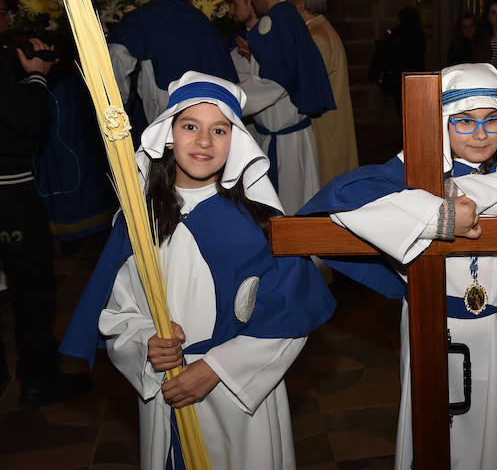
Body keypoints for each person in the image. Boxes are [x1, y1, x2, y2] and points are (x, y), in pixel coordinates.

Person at [299, 63, 497, 470]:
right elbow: (343, 198)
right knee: (444, 441)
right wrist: (440, 218)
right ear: (442, 124)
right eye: (464, 122)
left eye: (491, 121)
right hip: (439, 328)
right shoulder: (409, 170)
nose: (480, 134)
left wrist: (436, 195)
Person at [59, 72, 336, 469]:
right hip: (165, 388)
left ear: (236, 141)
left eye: (219, 130)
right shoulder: (141, 224)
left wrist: (216, 369)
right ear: (168, 135)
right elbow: (119, 313)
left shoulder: (260, 225)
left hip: (239, 397)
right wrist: (146, 345)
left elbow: (290, 318)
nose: (204, 141)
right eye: (190, 126)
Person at [0, 34, 91, 406]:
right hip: (9, 190)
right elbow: (25, 119)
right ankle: (38, 380)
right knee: (34, 288)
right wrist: (38, 75)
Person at [108, 0, 238, 134]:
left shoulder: (141, 20)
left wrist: (116, 111)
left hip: (166, 130)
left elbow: (116, 61)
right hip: (211, 128)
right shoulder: (204, 23)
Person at [244, 0, 336, 212]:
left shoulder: (276, 21)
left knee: (288, 208)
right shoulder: (290, 18)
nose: (251, 0)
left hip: (284, 140)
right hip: (292, 136)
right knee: (299, 203)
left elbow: (274, 83)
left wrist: (232, 97)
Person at [290, 0, 359, 185]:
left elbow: (309, 81)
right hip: (331, 120)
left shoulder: (317, 35)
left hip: (326, 124)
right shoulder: (322, 29)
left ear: (301, 5)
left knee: (327, 178)